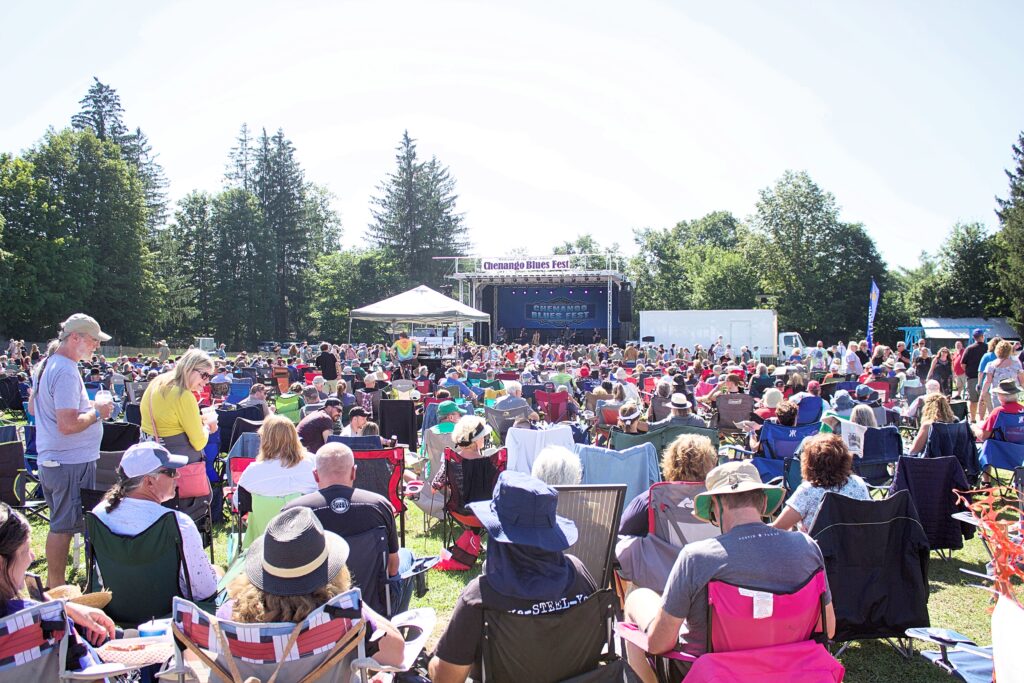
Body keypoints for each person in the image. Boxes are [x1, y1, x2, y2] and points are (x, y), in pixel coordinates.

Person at [622, 460, 834, 682]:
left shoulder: (696, 557)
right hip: (792, 671)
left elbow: (659, 644)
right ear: (763, 503)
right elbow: (827, 628)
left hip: (710, 674)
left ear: (715, 506)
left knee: (638, 598)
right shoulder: (807, 547)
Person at [429, 472, 596, 683]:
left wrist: (432, 662)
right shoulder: (578, 574)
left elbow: (447, 679)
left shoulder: (480, 597)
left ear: (497, 532)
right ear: (551, 534)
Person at [221, 507, 406, 667]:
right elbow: (397, 654)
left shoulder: (229, 618)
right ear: (329, 569)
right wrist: (353, 601)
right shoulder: (343, 619)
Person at [29, 314, 115, 589]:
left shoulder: (47, 364)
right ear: (75, 337)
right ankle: (56, 590)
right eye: (93, 340)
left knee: (61, 524)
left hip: (56, 459)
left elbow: (33, 408)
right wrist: (96, 412)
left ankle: (56, 587)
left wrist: (84, 408)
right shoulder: (65, 369)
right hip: (68, 462)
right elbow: (67, 424)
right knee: (62, 528)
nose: (97, 346)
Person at [283, 443, 414, 605]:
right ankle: (394, 617)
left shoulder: (294, 512)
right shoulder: (379, 506)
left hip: (316, 610)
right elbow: (393, 566)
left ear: (316, 475)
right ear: (354, 472)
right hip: (373, 607)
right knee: (407, 555)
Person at [93, 443, 219, 601]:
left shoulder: (99, 514)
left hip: (118, 606)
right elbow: (205, 591)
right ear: (149, 482)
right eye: (171, 472)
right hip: (171, 611)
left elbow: (102, 577)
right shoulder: (179, 523)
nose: (177, 475)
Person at [0, 502, 116, 655]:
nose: (32, 556)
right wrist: (56, 612)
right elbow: (89, 665)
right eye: (25, 550)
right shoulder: (42, 624)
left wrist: (64, 607)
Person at [619, 434, 717, 537]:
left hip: (661, 548)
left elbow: (620, 534)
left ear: (670, 464)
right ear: (711, 466)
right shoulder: (721, 501)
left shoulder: (651, 500)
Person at [772, 434, 870, 532]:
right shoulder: (858, 483)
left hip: (817, 542)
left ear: (809, 463)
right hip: (854, 540)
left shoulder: (808, 491)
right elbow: (868, 520)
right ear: (845, 459)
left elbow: (777, 529)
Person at [235, 416, 317, 506]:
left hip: (265, 515)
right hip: (305, 514)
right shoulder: (314, 462)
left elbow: (237, 503)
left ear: (265, 440)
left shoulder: (252, 471)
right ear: (295, 437)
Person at [979, 340, 1024, 422]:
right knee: (1013, 415)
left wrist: (982, 394)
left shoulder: (991, 365)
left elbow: (988, 382)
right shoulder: (1016, 364)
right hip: (1013, 393)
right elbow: (1022, 381)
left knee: (999, 416)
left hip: (997, 395)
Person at [962, 329, 988, 423]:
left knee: (973, 400)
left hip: (972, 377)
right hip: (986, 377)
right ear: (982, 336)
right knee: (983, 399)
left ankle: (973, 419)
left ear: (973, 338)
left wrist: (968, 371)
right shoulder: (988, 348)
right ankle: (981, 419)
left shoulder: (969, 349)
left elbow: (963, 364)